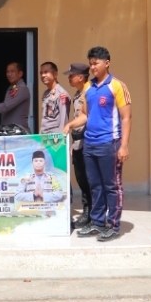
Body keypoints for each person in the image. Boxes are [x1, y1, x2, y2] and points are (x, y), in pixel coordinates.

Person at [63, 46, 131, 242]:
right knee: (95, 186)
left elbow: (126, 117)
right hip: (90, 144)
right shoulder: (89, 88)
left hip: (109, 143)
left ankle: (113, 225)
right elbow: (85, 114)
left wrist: (124, 145)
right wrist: (70, 125)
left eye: (96, 63)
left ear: (107, 63)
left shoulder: (117, 86)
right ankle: (98, 222)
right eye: (91, 64)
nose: (93, 67)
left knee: (112, 186)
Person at [64, 62, 92, 229]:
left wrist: (70, 126)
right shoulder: (78, 93)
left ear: (81, 77)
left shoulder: (89, 92)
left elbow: (86, 117)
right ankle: (87, 212)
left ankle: (90, 214)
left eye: (71, 75)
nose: (69, 78)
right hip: (78, 141)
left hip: (87, 140)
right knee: (81, 178)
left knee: (88, 180)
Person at [38, 61, 71, 134]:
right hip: (44, 136)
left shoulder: (61, 94)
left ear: (55, 74)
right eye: (41, 73)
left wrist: (61, 138)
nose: (43, 75)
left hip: (54, 137)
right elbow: (45, 119)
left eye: (46, 72)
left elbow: (64, 120)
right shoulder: (46, 94)